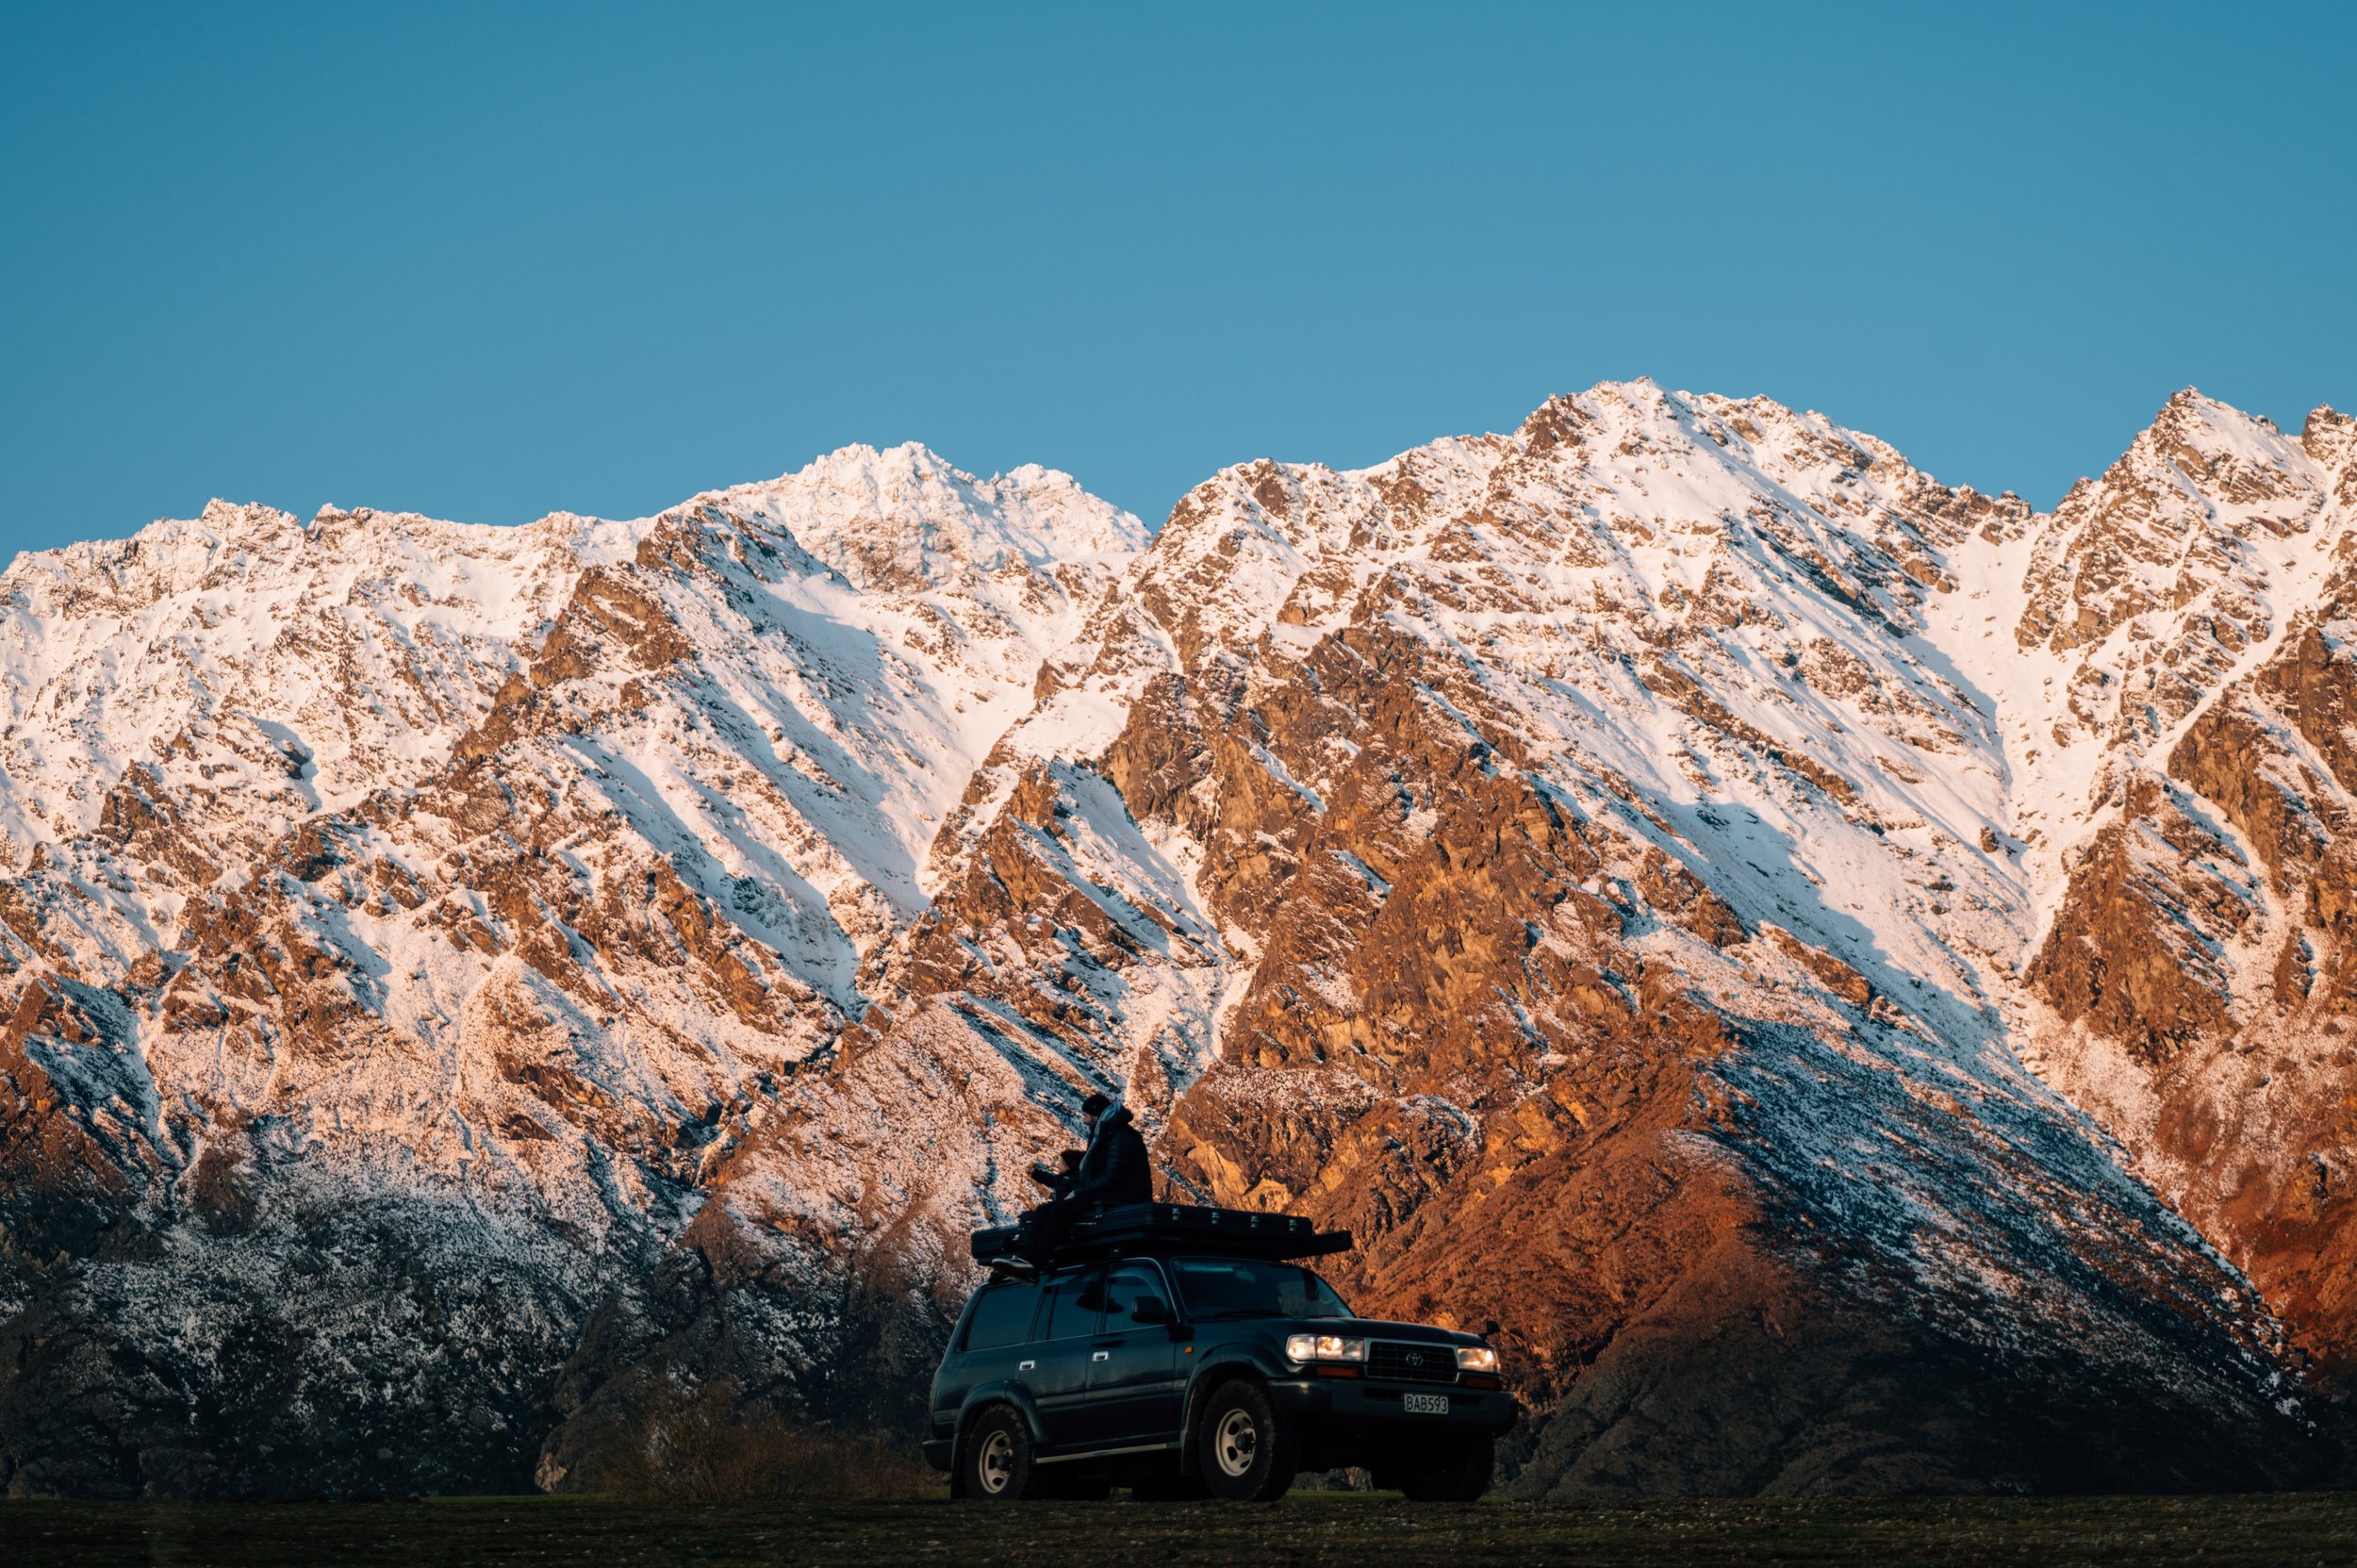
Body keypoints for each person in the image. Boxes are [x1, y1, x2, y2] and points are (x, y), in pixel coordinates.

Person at [1016, 1089, 1152, 1267]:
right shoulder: (1105, 1134)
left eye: (1086, 1115)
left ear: (1096, 1115)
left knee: (1060, 1210)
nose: (1083, 1120)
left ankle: (1037, 1264)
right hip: (1110, 1193)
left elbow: (1111, 1177)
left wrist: (1079, 1191)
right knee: (1045, 1210)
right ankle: (1024, 1259)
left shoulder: (1120, 1137)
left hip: (1126, 1197)